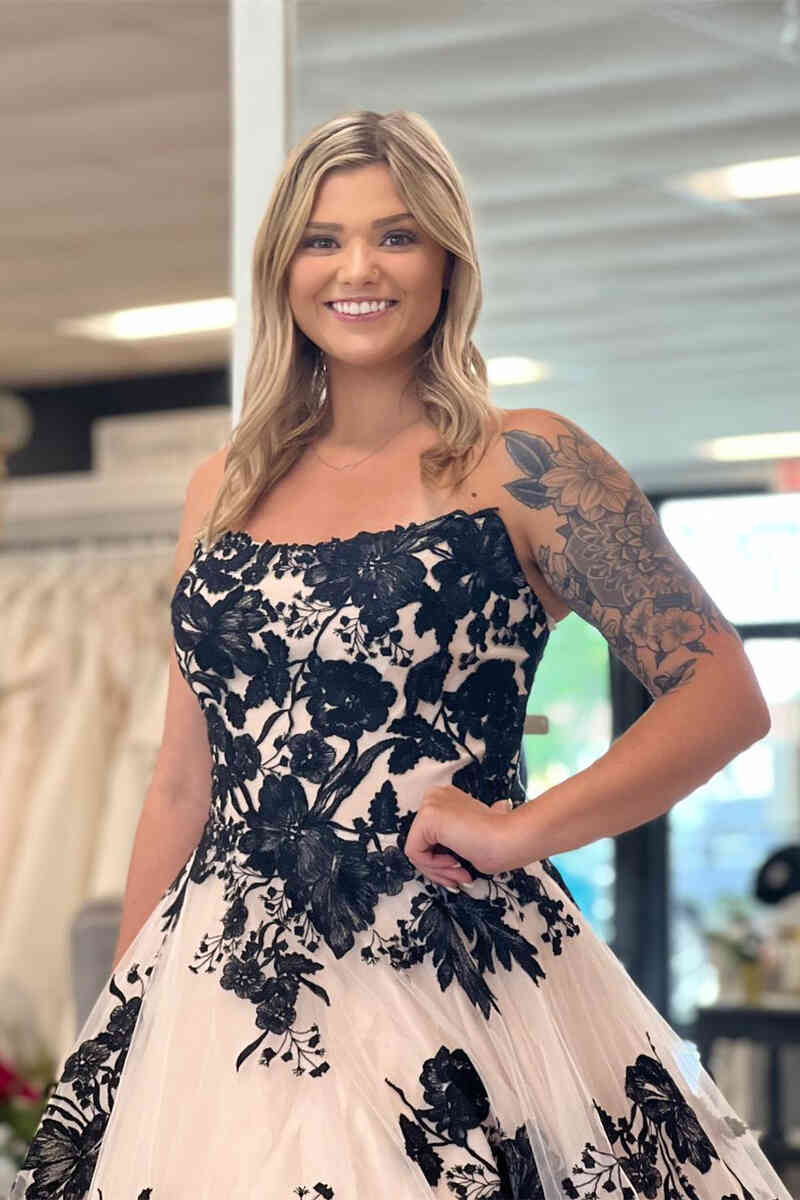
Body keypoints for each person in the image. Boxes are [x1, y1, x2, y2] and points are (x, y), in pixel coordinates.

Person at [11, 109, 789, 1200]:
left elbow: (722, 696)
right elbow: (184, 780)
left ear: (447, 259)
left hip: (449, 975)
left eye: (396, 235)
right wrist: (122, 1026)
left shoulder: (526, 460)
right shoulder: (223, 485)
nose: (358, 269)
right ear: (282, 268)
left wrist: (519, 830)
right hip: (221, 991)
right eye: (322, 240)